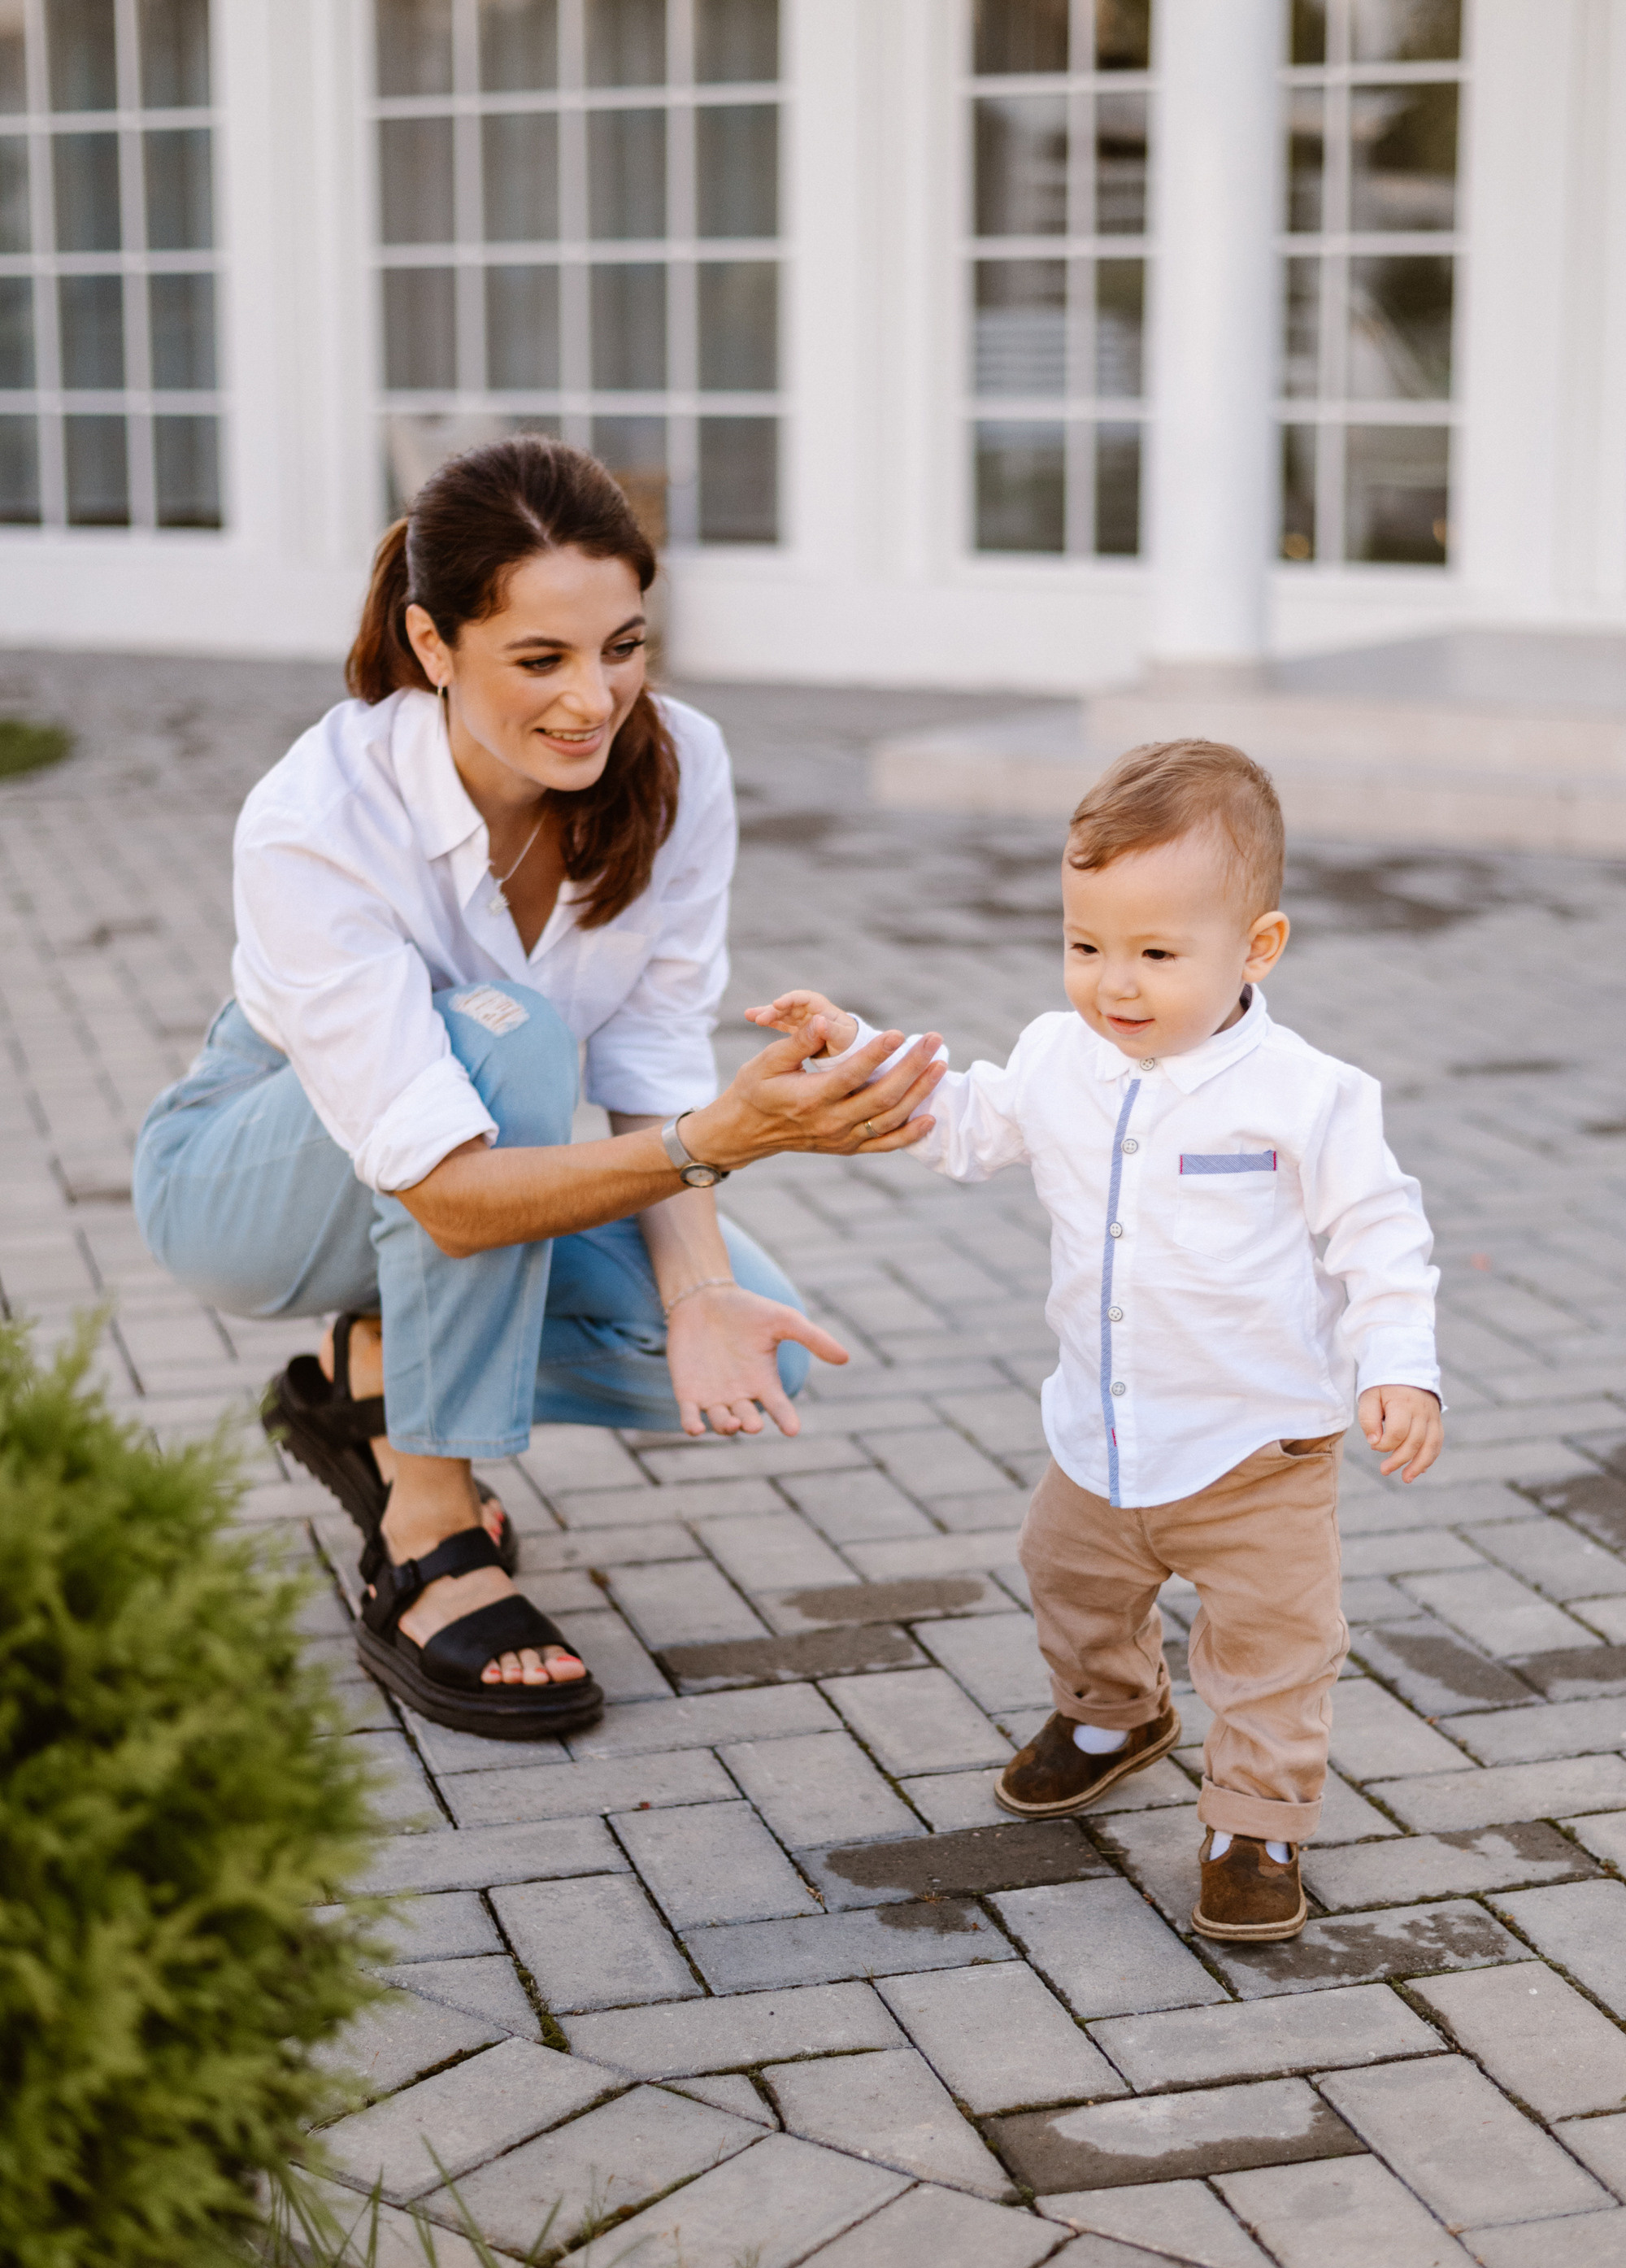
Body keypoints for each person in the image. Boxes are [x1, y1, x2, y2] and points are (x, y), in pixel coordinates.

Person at [133, 437, 941, 1745]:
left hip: (457, 1174)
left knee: (746, 1345)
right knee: (508, 1038)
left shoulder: (679, 765)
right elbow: (453, 1196)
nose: (595, 700)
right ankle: (430, 1530)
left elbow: (654, 1067)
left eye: (624, 646)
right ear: (434, 644)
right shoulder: (318, 815)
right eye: (541, 660)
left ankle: (378, 1371)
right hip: (247, 1177)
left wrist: (700, 1287)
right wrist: (720, 1141)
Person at [746, 738, 1442, 1942]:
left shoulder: (1309, 1096)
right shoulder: (1061, 1055)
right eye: (1086, 946)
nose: (1114, 984)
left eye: (1157, 955)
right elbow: (961, 1122)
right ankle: (1115, 1713)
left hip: (1257, 1449)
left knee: (1275, 1645)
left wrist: (1399, 1366)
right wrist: (853, 1049)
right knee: (1066, 1577)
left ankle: (1256, 1820)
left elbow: (1380, 1238)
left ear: (1256, 950)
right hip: (1101, 1431)